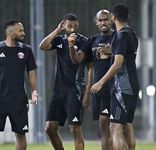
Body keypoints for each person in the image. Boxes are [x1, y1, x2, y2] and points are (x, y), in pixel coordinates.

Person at [0, 19, 39, 150]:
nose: (23, 33)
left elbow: (31, 73)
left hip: (19, 100)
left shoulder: (26, 50)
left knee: (20, 134)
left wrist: (34, 91)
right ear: (10, 33)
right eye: (20, 31)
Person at [39, 13, 93, 150]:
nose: (73, 29)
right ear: (64, 25)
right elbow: (43, 46)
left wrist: (87, 93)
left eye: (75, 26)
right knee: (49, 128)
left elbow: (90, 68)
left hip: (75, 92)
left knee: (75, 130)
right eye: (69, 26)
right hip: (58, 92)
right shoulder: (59, 40)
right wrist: (57, 30)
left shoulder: (84, 42)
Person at [91, 3, 139, 150]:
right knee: (127, 126)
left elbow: (118, 64)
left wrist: (100, 82)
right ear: (128, 17)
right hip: (132, 84)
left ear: (113, 18)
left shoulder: (120, 35)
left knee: (115, 128)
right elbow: (127, 56)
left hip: (122, 87)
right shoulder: (132, 33)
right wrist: (112, 51)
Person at [68, 10, 115, 150]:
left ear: (111, 20)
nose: (103, 23)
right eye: (100, 20)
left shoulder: (117, 37)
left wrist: (113, 51)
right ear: (96, 22)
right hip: (97, 89)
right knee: (103, 126)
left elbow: (127, 57)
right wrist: (71, 46)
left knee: (111, 125)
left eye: (105, 19)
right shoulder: (93, 40)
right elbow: (77, 59)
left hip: (113, 87)